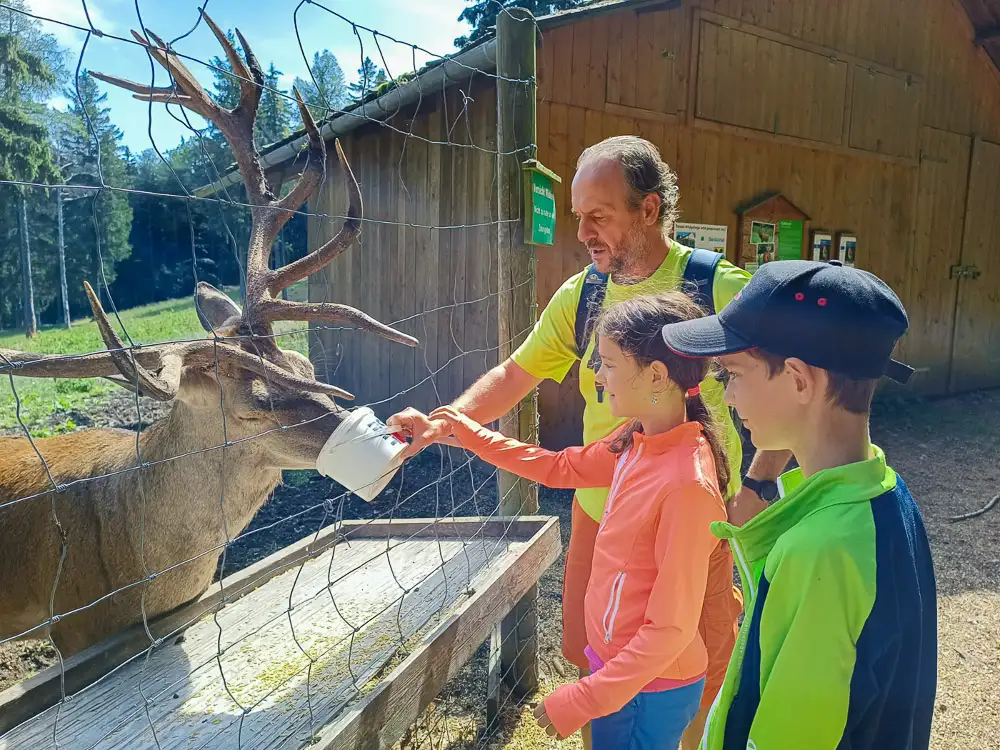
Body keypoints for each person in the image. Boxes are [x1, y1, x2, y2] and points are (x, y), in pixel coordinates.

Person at [389, 135, 792, 747]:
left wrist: (759, 484)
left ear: (649, 210)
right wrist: (448, 422)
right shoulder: (582, 296)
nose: (582, 232)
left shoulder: (718, 290)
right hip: (597, 515)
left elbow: (795, 381)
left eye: (598, 215)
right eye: (578, 216)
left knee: (697, 681)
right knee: (598, 664)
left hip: (691, 533)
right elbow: (516, 376)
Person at [391, 292, 731, 749]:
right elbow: (556, 467)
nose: (596, 374)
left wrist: (584, 698)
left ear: (656, 375)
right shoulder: (638, 440)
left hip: (651, 686)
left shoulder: (687, 485)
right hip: (621, 670)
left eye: (608, 363)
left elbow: (670, 630)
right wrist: (456, 427)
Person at [658, 260, 938, 750]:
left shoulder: (820, 551)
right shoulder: (886, 495)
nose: (727, 395)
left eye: (732, 374)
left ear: (799, 380)